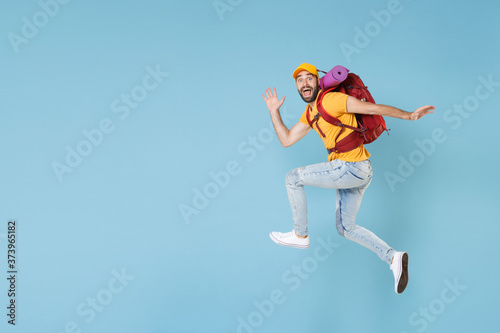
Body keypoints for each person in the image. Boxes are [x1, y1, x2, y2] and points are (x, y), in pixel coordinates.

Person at [262, 63, 434, 294]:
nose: (304, 82)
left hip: (350, 168)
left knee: (293, 178)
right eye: (299, 79)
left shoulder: (331, 100)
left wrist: (409, 115)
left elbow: (371, 108)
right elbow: (287, 139)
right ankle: (393, 258)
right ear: (296, 86)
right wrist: (274, 111)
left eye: (308, 78)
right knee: (345, 227)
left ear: (317, 80)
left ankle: (300, 233)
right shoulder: (310, 113)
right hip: (357, 171)